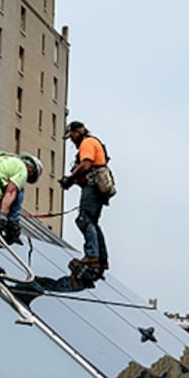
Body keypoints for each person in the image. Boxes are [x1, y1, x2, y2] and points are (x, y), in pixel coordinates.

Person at [59, 120, 110, 284]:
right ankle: (101, 258)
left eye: (72, 135)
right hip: (95, 187)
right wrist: (72, 181)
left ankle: (92, 256)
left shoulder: (87, 143)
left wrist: (70, 178)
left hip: (92, 187)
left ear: (78, 131)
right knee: (92, 222)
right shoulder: (92, 143)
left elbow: (87, 165)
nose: (72, 139)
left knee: (84, 219)